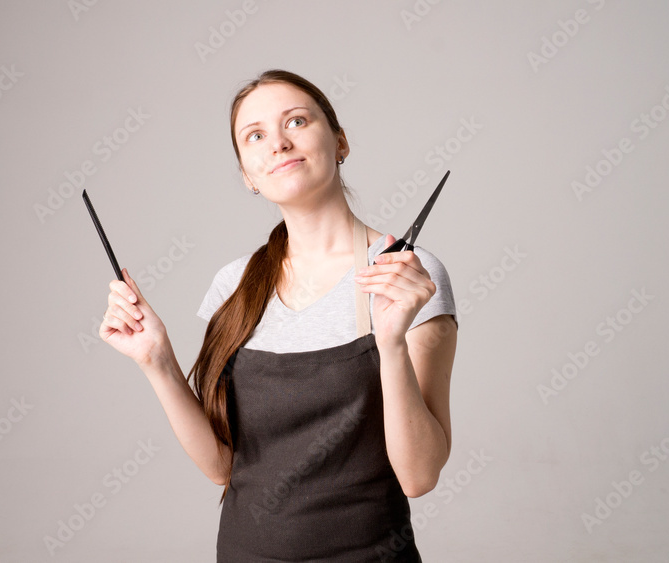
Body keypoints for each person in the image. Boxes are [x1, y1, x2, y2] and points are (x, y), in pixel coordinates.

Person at [100, 69, 458, 562]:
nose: (279, 143)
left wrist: (391, 341)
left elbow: (419, 477)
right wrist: (157, 360)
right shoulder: (235, 283)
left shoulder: (406, 276)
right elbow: (223, 466)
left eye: (296, 121)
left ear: (340, 141)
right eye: (256, 135)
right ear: (247, 174)